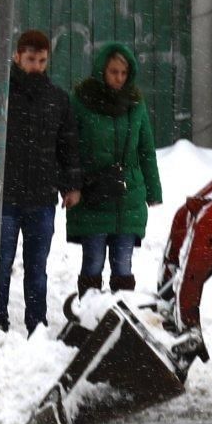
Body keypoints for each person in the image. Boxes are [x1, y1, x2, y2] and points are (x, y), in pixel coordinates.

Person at [0, 28, 79, 334]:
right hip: (5, 198)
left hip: (41, 198)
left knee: (37, 269)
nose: (36, 66)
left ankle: (36, 324)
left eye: (41, 60)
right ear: (17, 57)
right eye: (30, 59)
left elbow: (68, 147)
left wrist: (69, 184)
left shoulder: (57, 100)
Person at [67, 42, 164, 293]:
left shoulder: (135, 104)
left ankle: (121, 318)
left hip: (128, 194)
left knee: (123, 265)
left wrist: (154, 191)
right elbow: (69, 147)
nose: (118, 78)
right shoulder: (82, 101)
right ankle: (90, 317)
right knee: (93, 262)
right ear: (102, 70)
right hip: (93, 193)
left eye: (123, 73)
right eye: (113, 72)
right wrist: (72, 185)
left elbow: (146, 150)